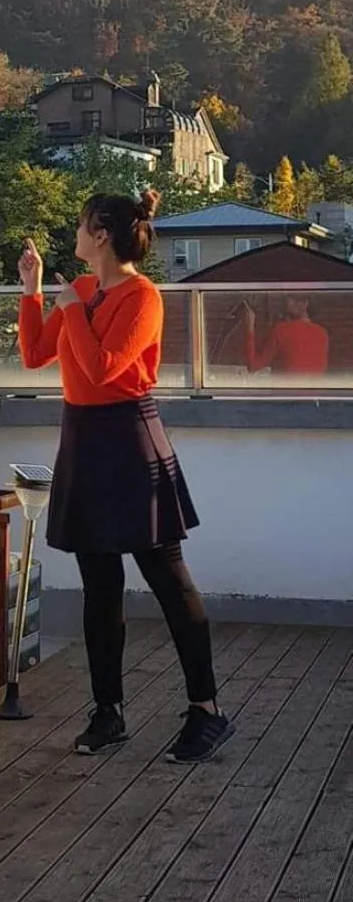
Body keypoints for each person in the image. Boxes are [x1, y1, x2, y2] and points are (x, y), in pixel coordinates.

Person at [18, 191, 233, 764]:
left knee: (167, 576)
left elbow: (106, 367)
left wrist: (69, 307)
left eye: (84, 225)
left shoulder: (143, 296)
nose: (77, 233)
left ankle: (206, 709)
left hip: (130, 439)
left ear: (104, 235)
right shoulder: (81, 291)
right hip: (84, 439)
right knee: (99, 583)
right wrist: (35, 290)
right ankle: (107, 711)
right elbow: (37, 354)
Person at [244, 295, 329, 377]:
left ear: (304, 304)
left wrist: (250, 326)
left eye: (291, 297)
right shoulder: (323, 334)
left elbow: (253, 365)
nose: (286, 301)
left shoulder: (282, 330)